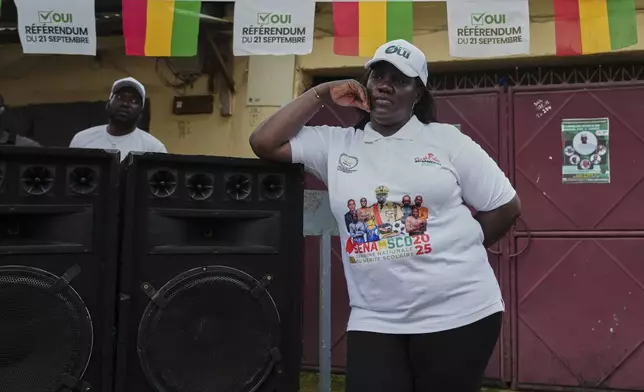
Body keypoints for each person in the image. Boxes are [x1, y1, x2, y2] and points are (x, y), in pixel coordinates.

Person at [249, 39, 521, 392]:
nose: (385, 85)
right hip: (375, 318)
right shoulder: (337, 144)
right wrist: (320, 93)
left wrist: (460, 244)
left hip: (459, 313)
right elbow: (264, 143)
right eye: (379, 75)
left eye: (400, 79)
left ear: (418, 94)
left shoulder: (446, 143)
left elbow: (506, 206)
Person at [69, 77, 166, 160]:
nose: (126, 104)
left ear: (141, 112)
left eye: (134, 100)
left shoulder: (155, 148)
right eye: (120, 97)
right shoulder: (82, 140)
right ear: (108, 104)